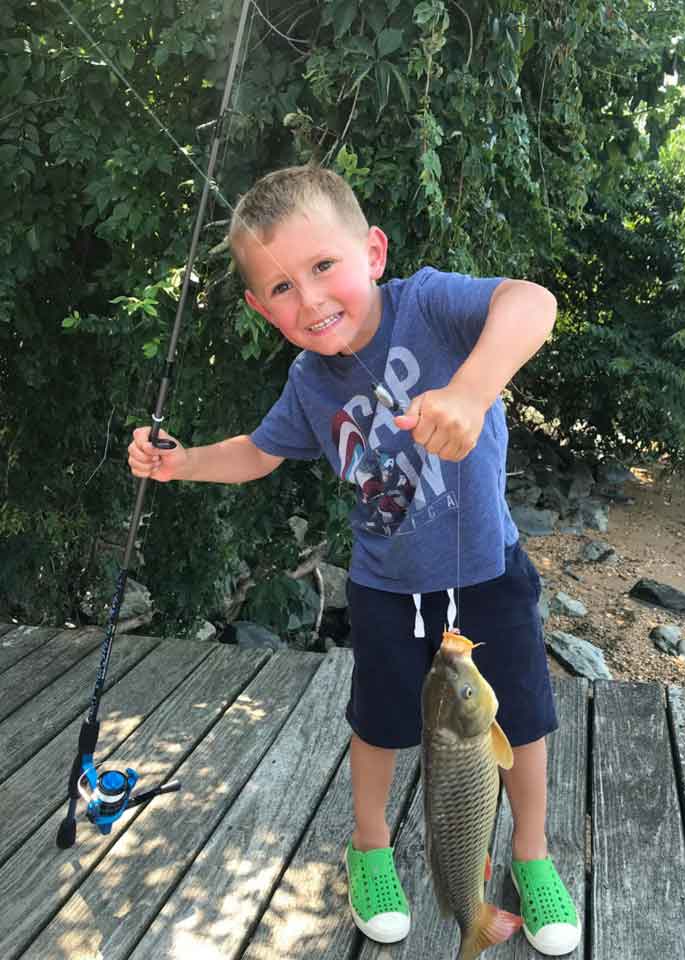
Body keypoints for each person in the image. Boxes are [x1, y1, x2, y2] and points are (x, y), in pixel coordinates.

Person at [128, 165, 581, 956]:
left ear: (372, 251)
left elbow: (532, 302)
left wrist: (471, 390)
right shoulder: (309, 383)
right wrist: (181, 462)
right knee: (377, 724)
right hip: (384, 587)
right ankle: (370, 849)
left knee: (524, 722)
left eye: (323, 266)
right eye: (280, 287)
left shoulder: (429, 303)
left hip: (488, 568)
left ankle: (531, 856)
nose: (308, 300)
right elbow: (258, 453)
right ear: (258, 306)